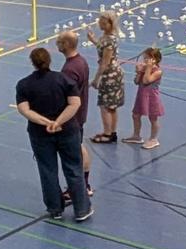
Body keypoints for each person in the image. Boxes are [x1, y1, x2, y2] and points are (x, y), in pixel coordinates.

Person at [15, 48, 89, 222]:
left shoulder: (24, 84)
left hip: (40, 134)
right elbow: (74, 104)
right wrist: (58, 122)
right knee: (73, 169)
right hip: (68, 131)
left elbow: (24, 109)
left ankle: (55, 209)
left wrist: (45, 122)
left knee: (47, 170)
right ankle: (82, 210)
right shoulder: (64, 80)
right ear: (49, 61)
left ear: (32, 62)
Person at [56, 31, 94, 198]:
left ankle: (78, 188)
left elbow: (66, 97)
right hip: (80, 115)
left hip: (72, 118)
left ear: (65, 44)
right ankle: (84, 185)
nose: (57, 43)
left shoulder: (69, 69)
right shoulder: (81, 61)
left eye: (59, 41)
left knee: (74, 153)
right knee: (79, 147)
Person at [122, 47, 164, 148]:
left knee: (153, 118)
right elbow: (137, 82)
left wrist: (148, 68)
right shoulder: (144, 68)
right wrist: (139, 72)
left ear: (155, 59)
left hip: (152, 97)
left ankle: (154, 139)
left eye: (147, 59)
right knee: (135, 115)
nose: (144, 61)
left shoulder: (158, 71)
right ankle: (136, 136)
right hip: (141, 95)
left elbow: (146, 81)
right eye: (144, 58)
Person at [94, 37, 126, 149]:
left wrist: (95, 79)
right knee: (112, 106)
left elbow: (104, 63)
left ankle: (108, 135)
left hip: (110, 76)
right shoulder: (112, 38)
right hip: (115, 74)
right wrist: (94, 40)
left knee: (105, 105)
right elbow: (103, 47)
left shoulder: (108, 42)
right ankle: (112, 132)